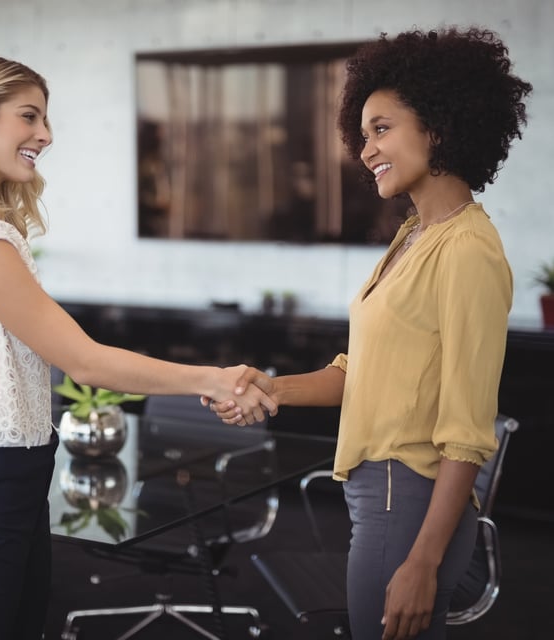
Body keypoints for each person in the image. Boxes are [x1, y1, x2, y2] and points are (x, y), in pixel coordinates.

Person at [0, 52, 275, 640]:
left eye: (45, 119)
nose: (45, 134)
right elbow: (85, 361)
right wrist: (212, 378)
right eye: (29, 117)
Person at [209, 27, 532, 640]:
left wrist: (423, 561)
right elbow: (361, 371)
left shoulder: (466, 250)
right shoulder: (415, 236)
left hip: (406, 498)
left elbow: (467, 433)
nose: (365, 151)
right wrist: (270, 387)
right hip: (379, 494)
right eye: (363, 136)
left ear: (437, 126)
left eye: (381, 129)